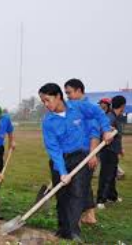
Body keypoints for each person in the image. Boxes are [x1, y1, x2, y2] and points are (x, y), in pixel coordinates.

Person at [39, 83, 113, 242]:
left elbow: (99, 113)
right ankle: (62, 229)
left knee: (77, 193)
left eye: (47, 100)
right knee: (62, 194)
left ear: (58, 96)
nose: (46, 104)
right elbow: (53, 149)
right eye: (43, 101)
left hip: (80, 157)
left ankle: (73, 232)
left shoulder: (78, 107)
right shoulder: (48, 122)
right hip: (60, 159)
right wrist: (62, 171)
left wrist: (106, 130)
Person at [64, 78, 99, 224]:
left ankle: (75, 220)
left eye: (69, 93)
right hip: (73, 152)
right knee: (83, 184)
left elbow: (94, 133)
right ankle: (90, 215)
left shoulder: (87, 108)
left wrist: (92, 154)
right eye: (66, 94)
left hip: (85, 153)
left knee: (78, 186)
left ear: (79, 91)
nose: (68, 97)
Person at [97, 95, 126, 209]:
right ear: (122, 106)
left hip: (113, 151)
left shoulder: (116, 117)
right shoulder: (110, 117)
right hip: (107, 151)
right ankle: (100, 200)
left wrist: (120, 149)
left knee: (112, 174)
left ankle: (112, 196)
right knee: (106, 175)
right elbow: (102, 130)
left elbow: (117, 136)